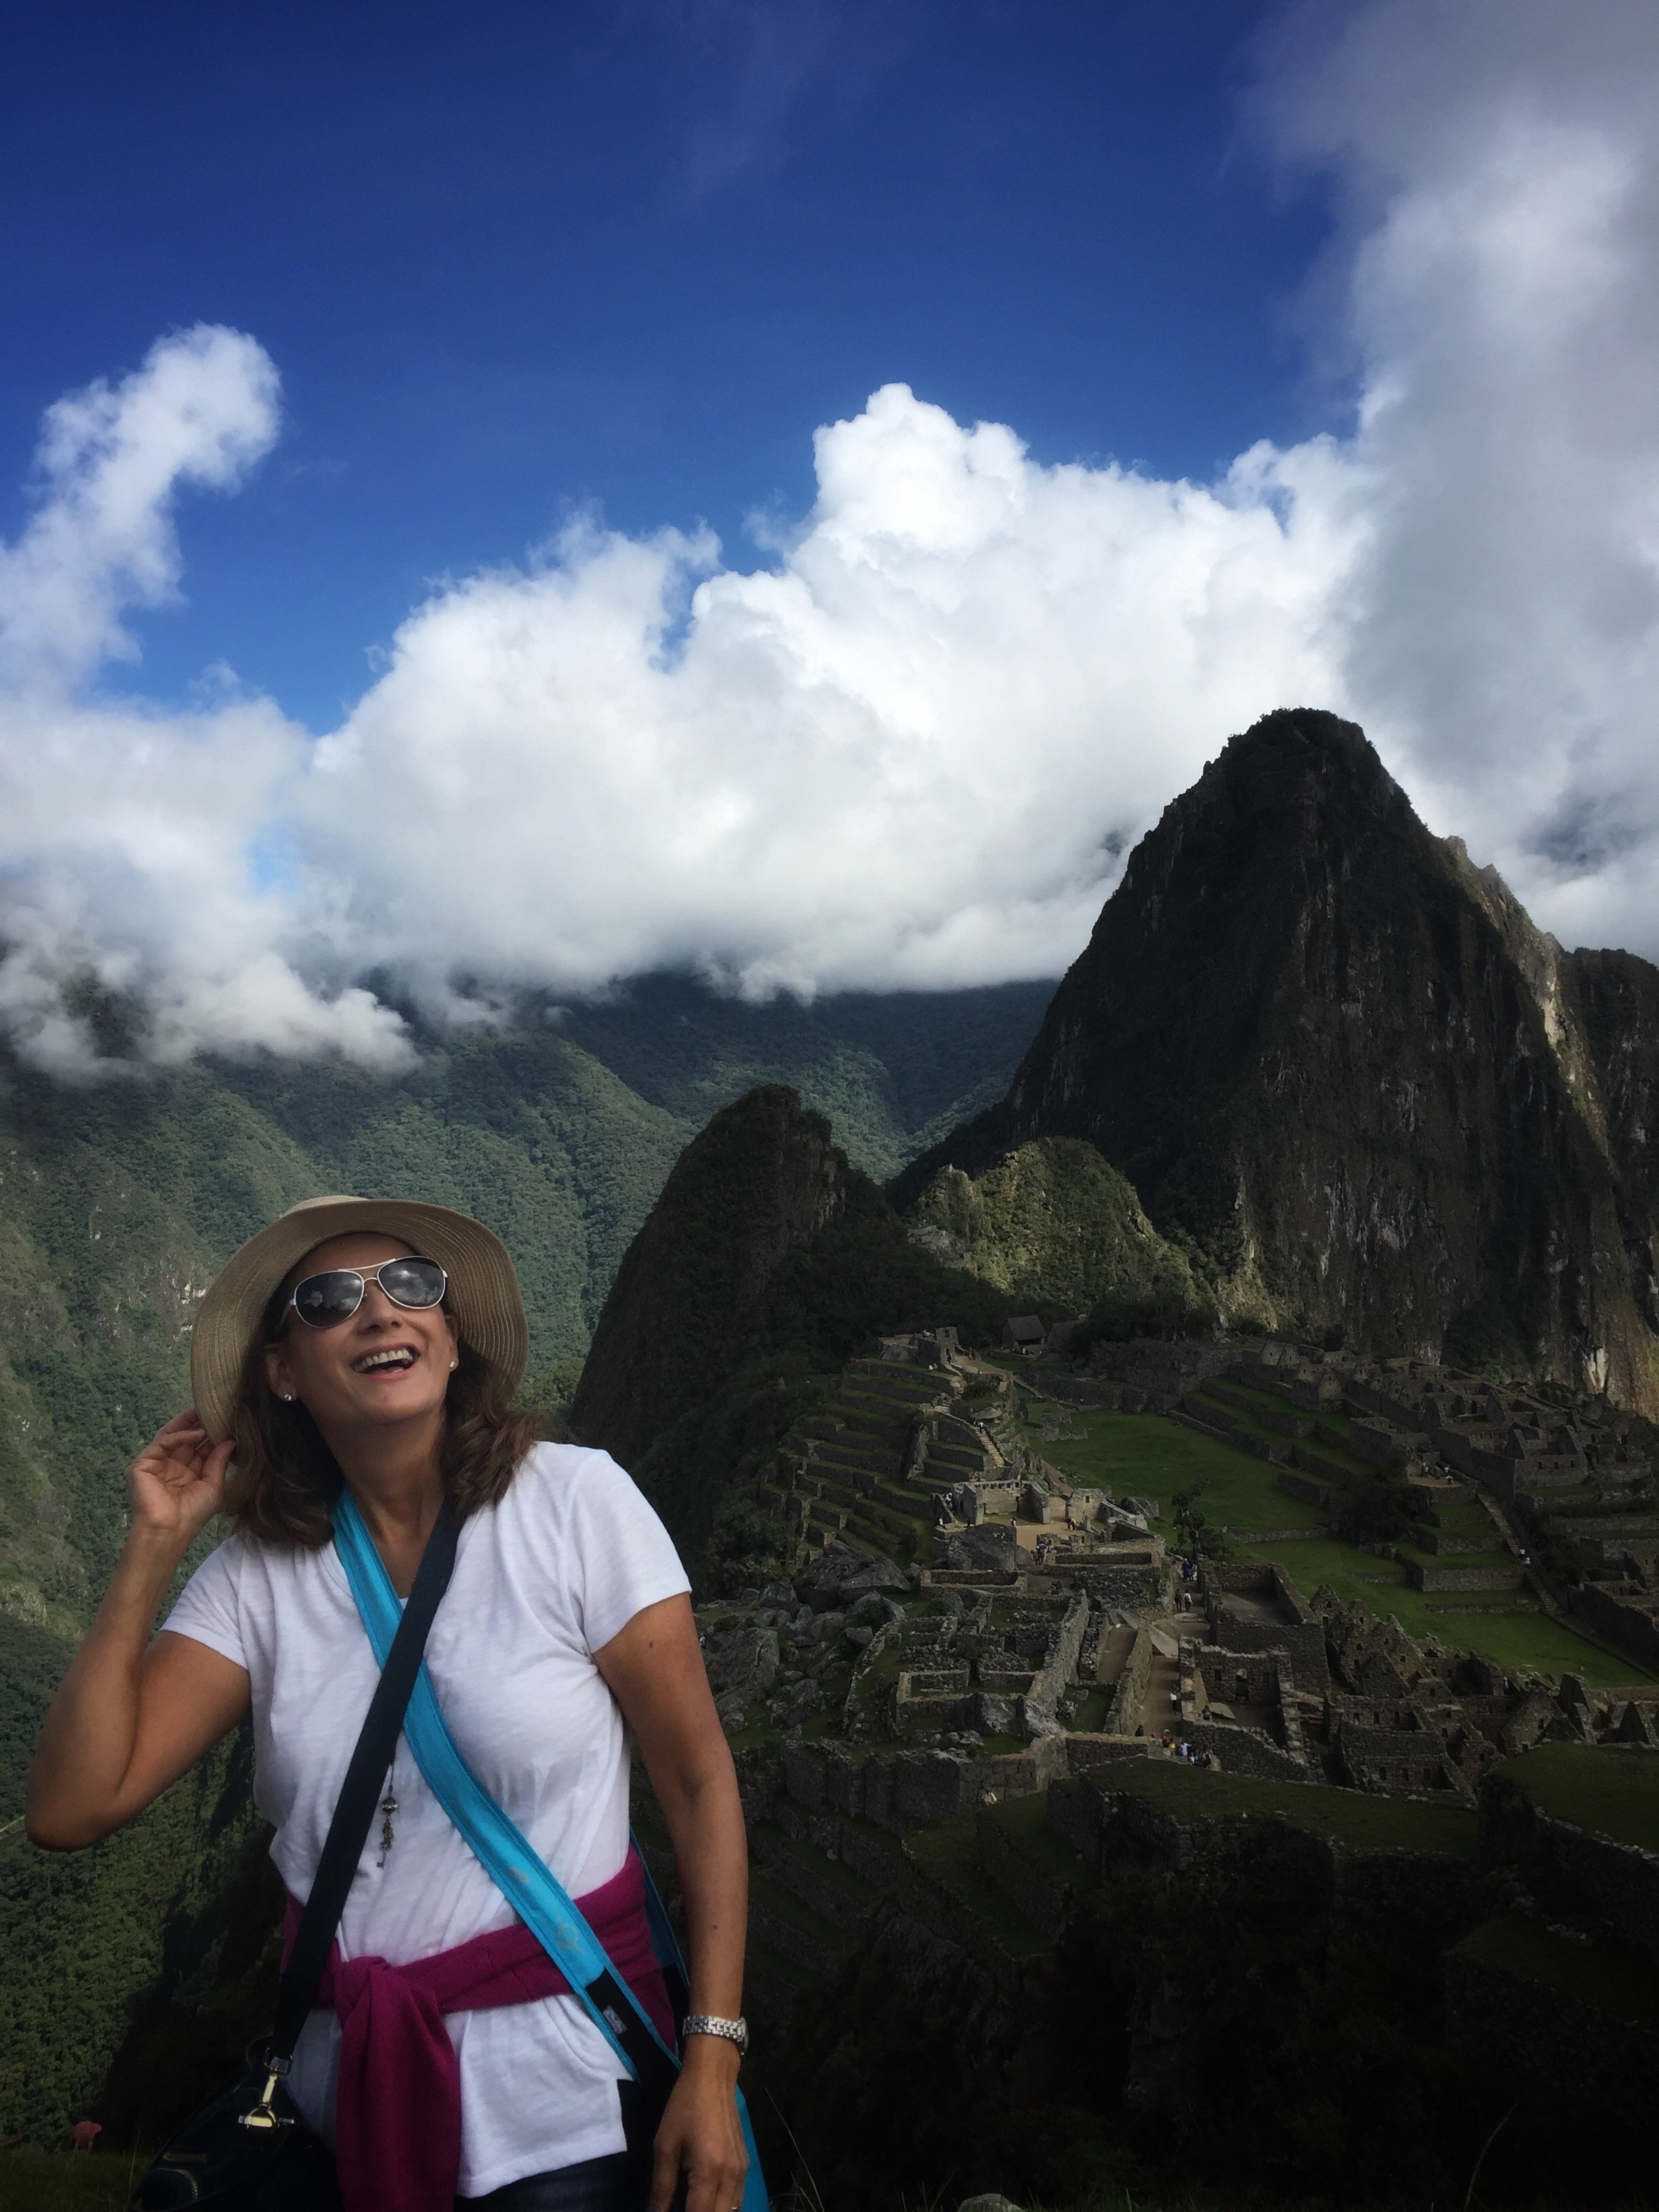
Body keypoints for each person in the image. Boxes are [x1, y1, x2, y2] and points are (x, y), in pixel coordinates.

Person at [27, 1197, 750, 2212]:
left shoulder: (574, 1505)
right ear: (282, 1370)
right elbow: (72, 1807)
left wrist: (712, 2056)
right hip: (337, 2117)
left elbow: (698, 1779)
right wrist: (153, 1548)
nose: (379, 1312)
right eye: (330, 1300)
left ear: (451, 1337)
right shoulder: (256, 1580)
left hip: (567, 2106)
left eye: (411, 1285)